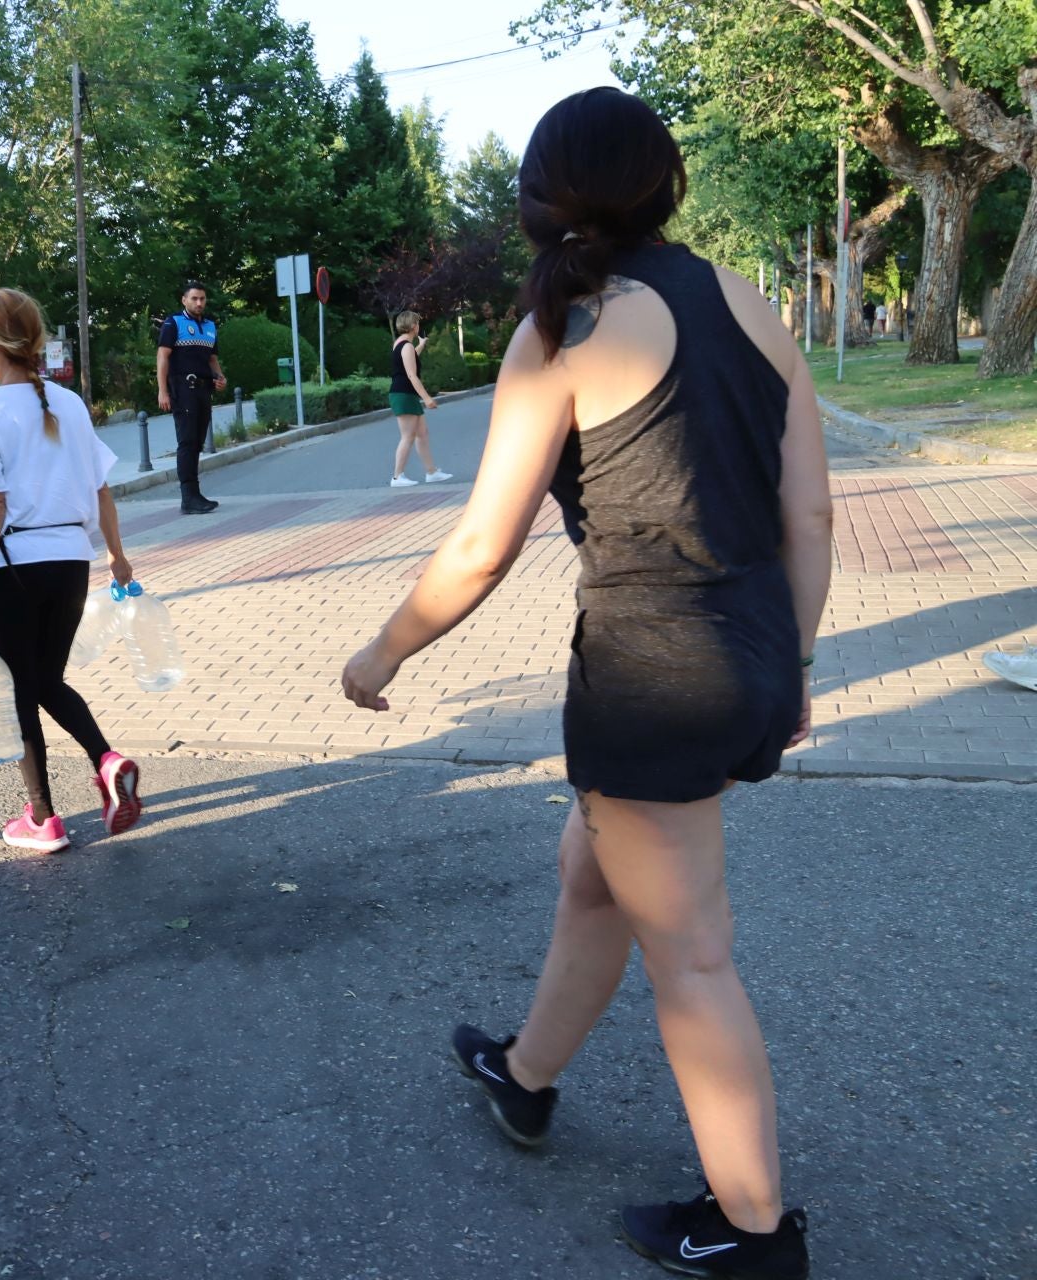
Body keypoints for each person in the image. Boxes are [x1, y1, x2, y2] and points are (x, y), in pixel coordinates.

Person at [342, 88, 828, 1279]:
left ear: (542, 200)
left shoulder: (569, 324)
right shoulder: (748, 303)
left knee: (695, 955)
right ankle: (526, 1076)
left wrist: (382, 650)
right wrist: (798, 662)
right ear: (665, 184)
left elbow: (478, 548)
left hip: (652, 677)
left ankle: (755, 1230)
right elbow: (808, 506)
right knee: (595, 873)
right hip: (756, 649)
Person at [0, 288, 144, 853]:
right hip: (70, 562)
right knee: (45, 681)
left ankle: (43, 818)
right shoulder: (68, 404)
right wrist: (116, 554)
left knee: (21, 693)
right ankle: (107, 762)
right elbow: (102, 489)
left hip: (15, 565)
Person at [156, 281, 227, 515]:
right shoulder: (174, 323)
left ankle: (195, 496)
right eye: (194, 298)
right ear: (184, 300)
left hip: (204, 390)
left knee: (197, 442)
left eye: (202, 299)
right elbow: (163, 357)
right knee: (187, 442)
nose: (199, 303)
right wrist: (162, 391)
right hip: (183, 388)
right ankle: (189, 497)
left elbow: (212, 359)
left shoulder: (210, 326)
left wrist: (219, 377)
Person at [387, 311, 451, 487]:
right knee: (407, 436)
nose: (418, 326)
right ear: (413, 326)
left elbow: (410, 358)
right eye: (417, 323)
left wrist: (421, 345)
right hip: (404, 395)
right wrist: (427, 398)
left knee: (422, 434)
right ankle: (397, 477)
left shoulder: (400, 344)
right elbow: (411, 374)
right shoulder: (405, 346)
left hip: (405, 394)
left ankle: (431, 472)